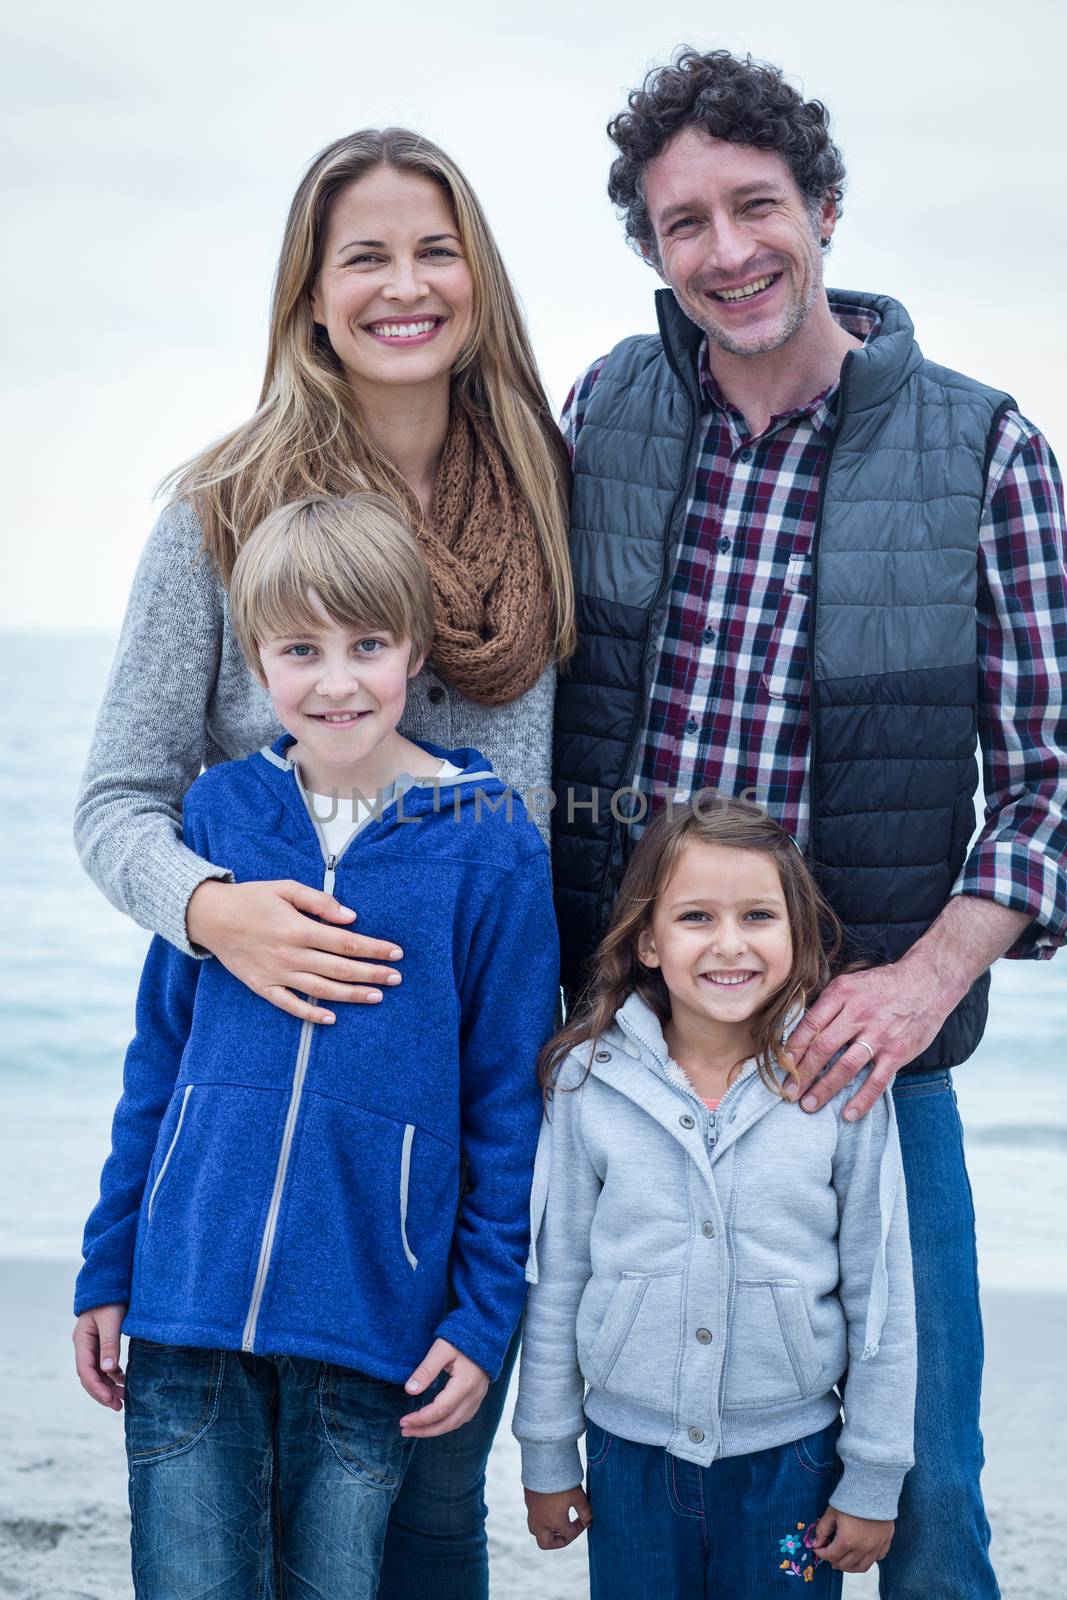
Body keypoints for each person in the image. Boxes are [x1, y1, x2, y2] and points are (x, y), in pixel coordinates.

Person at [551, 48, 1067, 1597]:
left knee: (922, 1501)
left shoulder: (982, 451)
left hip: (859, 1065)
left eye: (754, 205)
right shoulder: (607, 408)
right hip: (642, 1065)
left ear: (822, 209)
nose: (725, 251)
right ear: (653, 251)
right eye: (682, 223)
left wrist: (921, 984)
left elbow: (1051, 776)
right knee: (657, 1476)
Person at [73, 127, 573, 1597]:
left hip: (419, 1150)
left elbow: (532, 832)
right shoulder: (220, 512)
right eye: (364, 254)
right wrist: (214, 912)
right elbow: (115, 801)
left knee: (419, 1537)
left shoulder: (546, 498)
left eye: (437, 249)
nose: (405, 285)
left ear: (478, 274)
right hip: (238, 1140)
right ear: (307, 291)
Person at [513, 795, 915, 1597]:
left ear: (797, 934)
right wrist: (548, 1454)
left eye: (758, 915)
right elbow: (555, 1283)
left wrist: (872, 1473)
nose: (729, 943)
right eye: (696, 916)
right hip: (627, 1457)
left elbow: (881, 1291)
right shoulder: (588, 1082)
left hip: (794, 1462)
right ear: (648, 941)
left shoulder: (839, 1087)